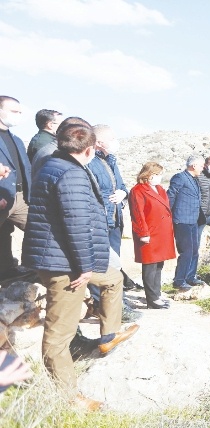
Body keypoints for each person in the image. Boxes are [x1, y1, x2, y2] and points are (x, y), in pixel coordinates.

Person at [21, 123, 139, 410]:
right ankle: (68, 397)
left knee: (112, 279)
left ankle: (108, 335)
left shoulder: (55, 164)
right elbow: (76, 225)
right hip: (65, 264)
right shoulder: (70, 173)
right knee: (58, 335)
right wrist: (84, 268)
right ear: (89, 149)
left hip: (68, 257)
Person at [86, 124, 143, 298]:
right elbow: (93, 192)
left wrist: (122, 193)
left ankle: (114, 301)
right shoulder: (90, 162)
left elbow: (122, 185)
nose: (115, 141)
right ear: (100, 142)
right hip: (100, 220)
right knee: (100, 264)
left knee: (114, 262)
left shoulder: (111, 160)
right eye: (112, 139)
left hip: (115, 220)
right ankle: (99, 302)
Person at [129, 162, 174, 309]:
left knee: (159, 264)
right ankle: (152, 299)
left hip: (161, 232)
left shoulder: (160, 189)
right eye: (157, 175)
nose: (159, 178)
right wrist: (143, 233)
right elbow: (138, 214)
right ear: (148, 175)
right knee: (150, 265)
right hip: (149, 232)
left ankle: (157, 294)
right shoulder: (138, 191)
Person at [0, 96, 32, 281]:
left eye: (20, 112)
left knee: (38, 229)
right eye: (14, 111)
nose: (18, 115)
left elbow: (25, 168)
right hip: (2, 195)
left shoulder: (17, 139)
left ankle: (28, 268)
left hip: (20, 197)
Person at [167, 155, 206, 292]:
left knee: (194, 251)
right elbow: (170, 197)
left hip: (193, 220)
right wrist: (167, 218)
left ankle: (190, 277)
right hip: (181, 220)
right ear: (194, 166)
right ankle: (179, 281)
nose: (203, 168)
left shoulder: (195, 180)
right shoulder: (179, 178)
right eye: (201, 165)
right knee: (186, 251)